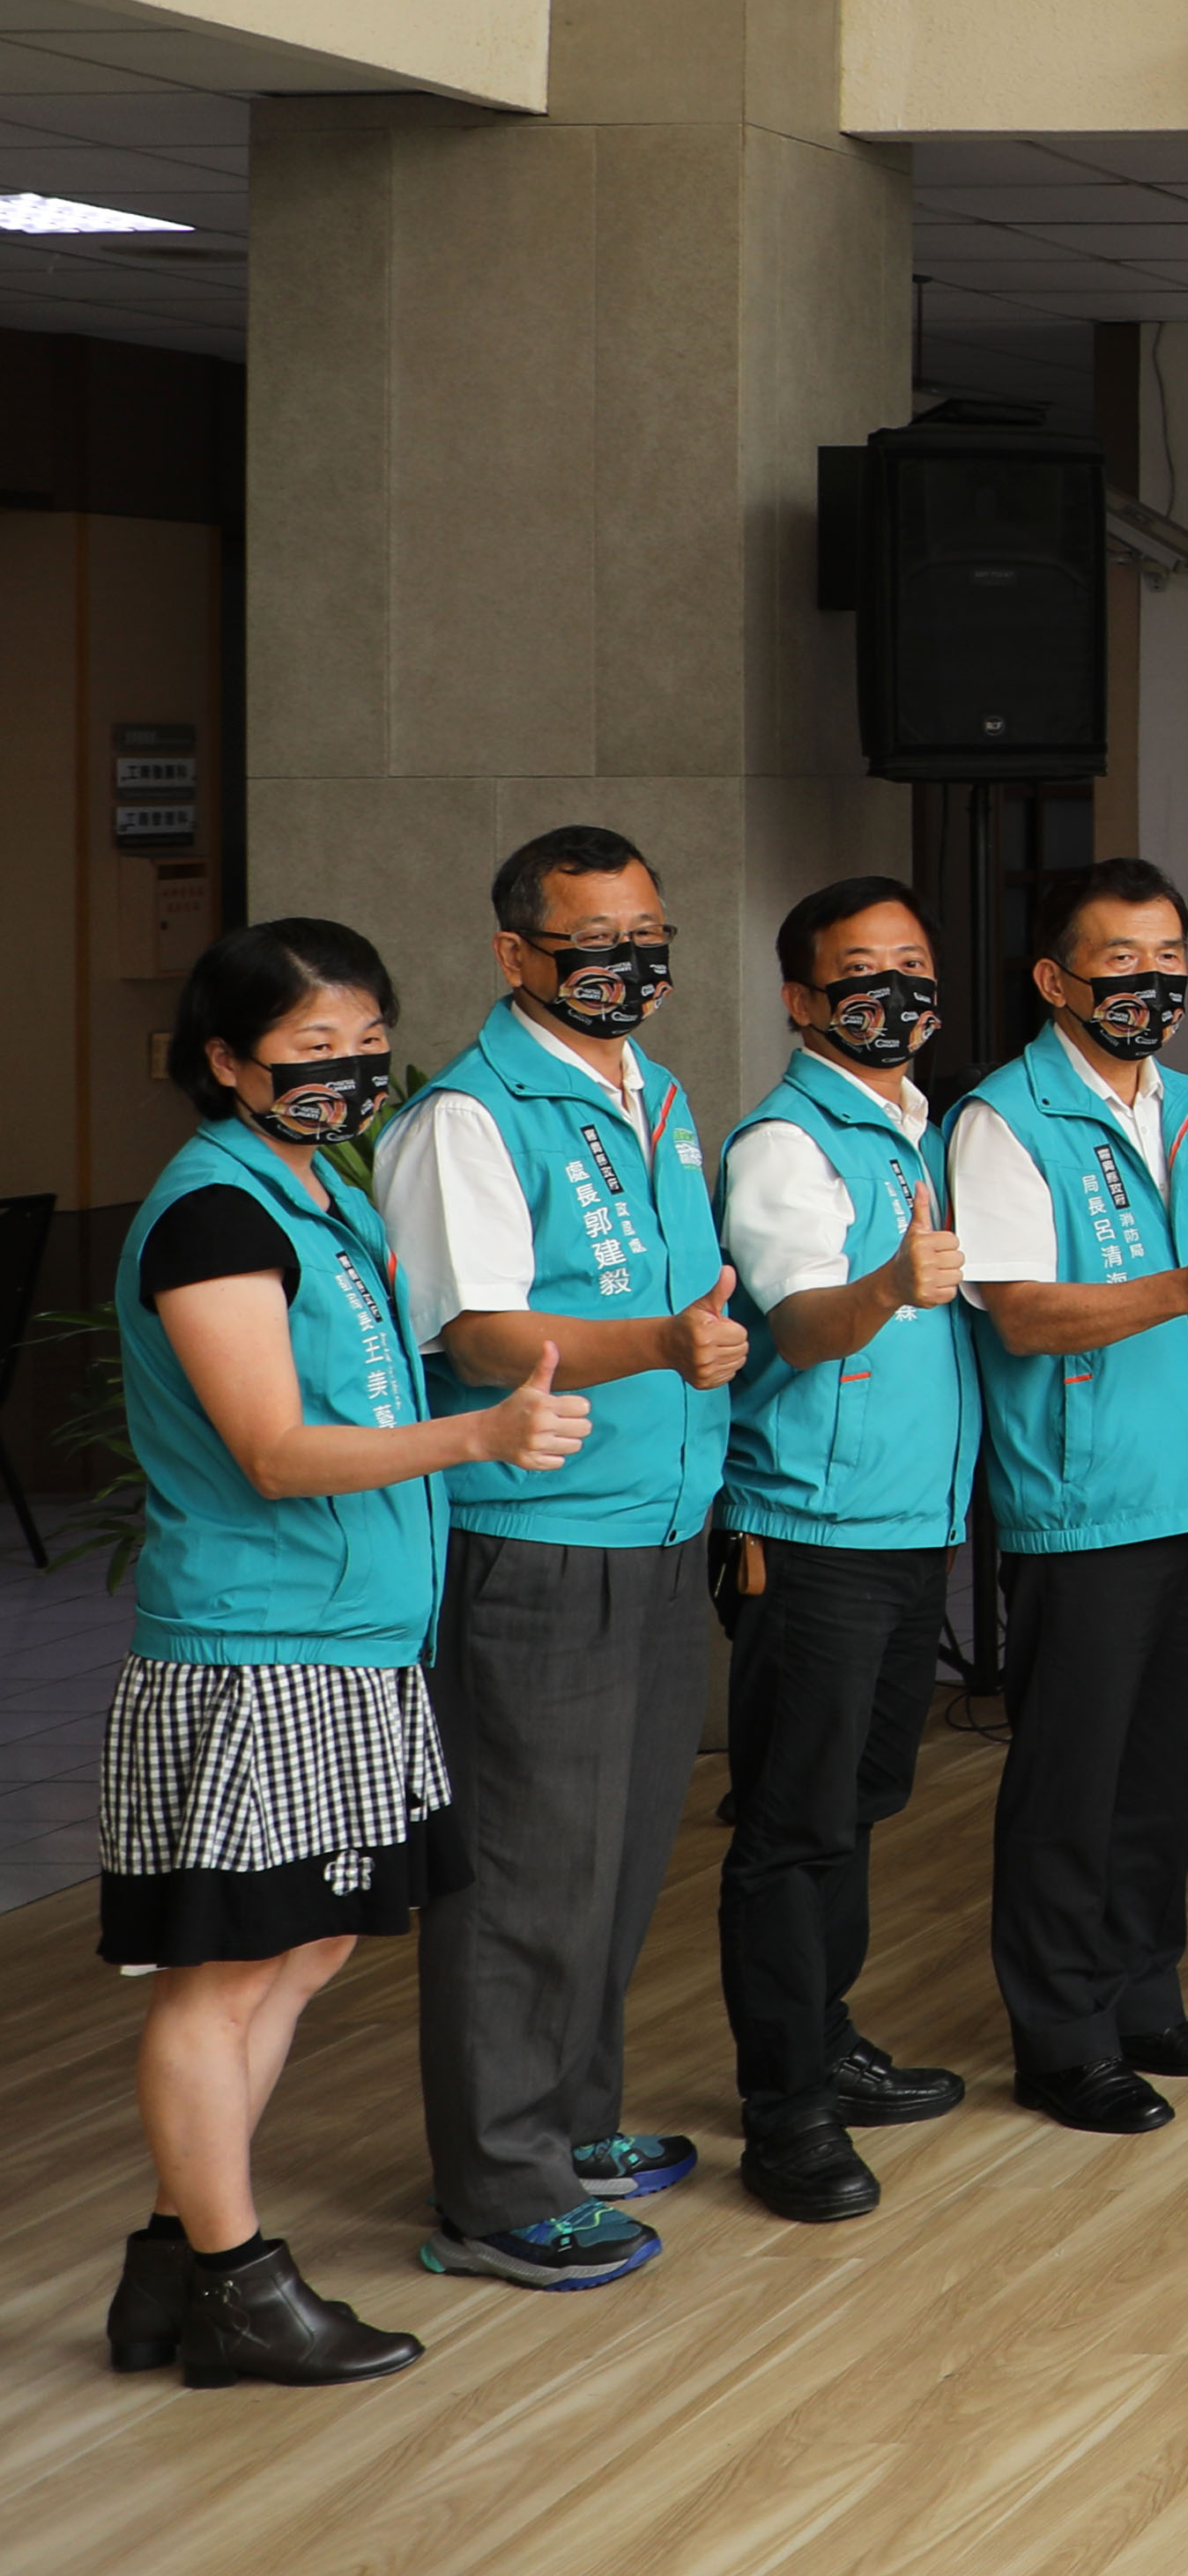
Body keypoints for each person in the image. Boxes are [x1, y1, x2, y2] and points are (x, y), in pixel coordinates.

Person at [99, 923, 588, 2387]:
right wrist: (480, 1434)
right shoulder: (214, 1214)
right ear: (224, 1059)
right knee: (221, 1973)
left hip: (351, 1637)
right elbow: (271, 1446)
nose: (352, 1071)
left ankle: (173, 2265)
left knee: (301, 1945)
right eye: (313, 1048)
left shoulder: (322, 1193)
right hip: (257, 1645)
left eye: (369, 1040)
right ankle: (234, 2284)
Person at [375, 824, 743, 2291]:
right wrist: (657, 1343)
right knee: (526, 1871)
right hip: (534, 1535)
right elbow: (473, 1333)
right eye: (592, 943)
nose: (625, 965)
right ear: (513, 952)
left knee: (620, 1853)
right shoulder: (469, 1116)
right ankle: (499, 2184)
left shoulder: (655, 1092)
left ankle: (574, 2123)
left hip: (658, 1521)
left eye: (645, 938)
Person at [951, 855, 1188, 2136]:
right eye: (1121, 962)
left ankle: (1146, 2001)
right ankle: (1062, 2038)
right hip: (1084, 1503)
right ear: (1055, 980)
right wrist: (1181, 1292)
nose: (1152, 984)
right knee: (1071, 1786)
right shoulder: (1004, 1118)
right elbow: (1023, 1315)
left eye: (1169, 962)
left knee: (1159, 1776)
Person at [708, 877, 984, 2223]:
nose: (895, 994)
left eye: (913, 967)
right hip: (806, 1532)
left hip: (906, 1526)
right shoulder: (786, 1142)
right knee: (792, 1826)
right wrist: (889, 1284)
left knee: (857, 1808)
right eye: (863, 972)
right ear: (801, 999)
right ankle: (786, 2116)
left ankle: (825, 2042)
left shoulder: (911, 1123)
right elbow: (806, 1323)